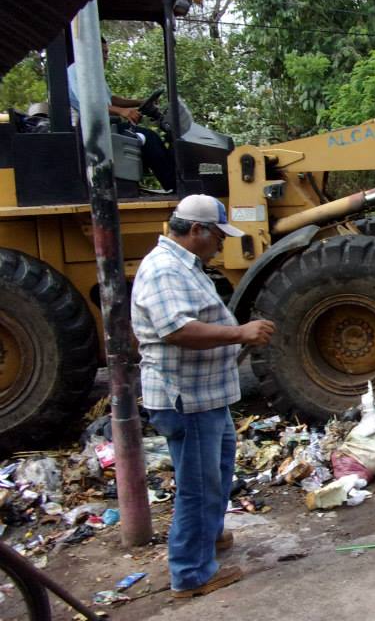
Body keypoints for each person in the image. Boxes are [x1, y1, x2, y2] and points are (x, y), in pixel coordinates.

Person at [131, 194, 275, 598]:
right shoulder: (163, 270)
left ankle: (207, 538)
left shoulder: (184, 266)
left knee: (217, 472)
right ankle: (191, 573)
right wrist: (239, 333)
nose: (220, 245)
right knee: (197, 484)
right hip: (186, 399)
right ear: (196, 230)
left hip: (206, 395)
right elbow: (176, 330)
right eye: (217, 236)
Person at [67, 36, 176, 191]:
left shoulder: (94, 74)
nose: (106, 56)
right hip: (88, 133)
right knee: (149, 138)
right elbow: (89, 104)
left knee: (149, 138)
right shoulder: (77, 70)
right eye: (102, 52)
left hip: (103, 129)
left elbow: (110, 99)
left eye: (107, 52)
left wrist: (139, 102)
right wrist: (122, 112)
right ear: (89, 51)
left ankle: (169, 185)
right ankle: (174, 187)